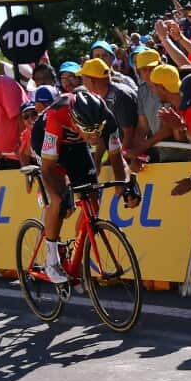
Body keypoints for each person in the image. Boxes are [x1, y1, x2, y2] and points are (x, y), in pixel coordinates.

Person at [33, 90, 139, 283]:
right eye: (90, 132)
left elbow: (117, 159)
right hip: (46, 141)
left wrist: (126, 186)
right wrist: (55, 194)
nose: (94, 137)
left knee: (92, 200)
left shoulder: (106, 118)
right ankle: (51, 260)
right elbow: (48, 169)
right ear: (75, 122)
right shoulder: (57, 117)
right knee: (59, 202)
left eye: (97, 132)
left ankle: (75, 257)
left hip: (75, 146)